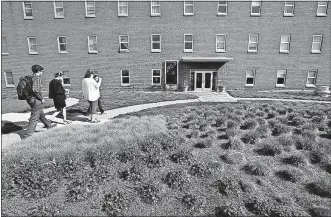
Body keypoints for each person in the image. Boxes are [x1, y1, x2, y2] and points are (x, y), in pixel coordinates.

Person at [23, 65, 56, 138]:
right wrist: (41, 98)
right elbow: (36, 91)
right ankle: (27, 135)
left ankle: (49, 125)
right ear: (38, 71)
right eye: (41, 71)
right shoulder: (37, 78)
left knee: (40, 112)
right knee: (34, 117)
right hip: (35, 99)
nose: (42, 73)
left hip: (29, 99)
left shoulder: (29, 77)